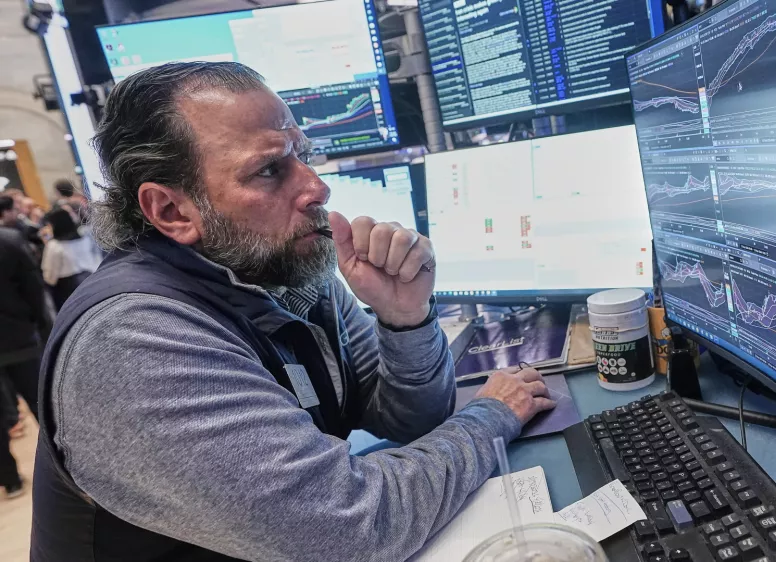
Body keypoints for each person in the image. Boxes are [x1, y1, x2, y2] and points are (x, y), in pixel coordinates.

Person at [31, 61, 556, 562]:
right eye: (268, 170)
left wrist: (404, 317)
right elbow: (355, 529)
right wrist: (492, 416)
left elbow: (411, 420)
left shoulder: (285, 272)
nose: (316, 187)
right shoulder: (133, 341)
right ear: (172, 211)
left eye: (303, 155)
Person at [0, 223, 50, 498]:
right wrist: (41, 325)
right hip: (19, 336)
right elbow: (33, 289)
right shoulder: (8, 240)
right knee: (42, 403)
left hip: (18, 336)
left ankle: (10, 479)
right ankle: (67, 468)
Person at [40, 207, 102, 309]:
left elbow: (50, 276)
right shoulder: (84, 238)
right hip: (91, 280)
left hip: (67, 289)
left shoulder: (54, 246)